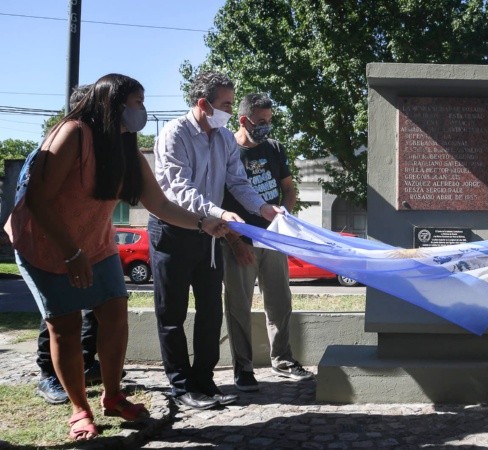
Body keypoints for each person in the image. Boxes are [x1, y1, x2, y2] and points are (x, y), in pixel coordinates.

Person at [4, 73, 229, 441]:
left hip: (94, 243)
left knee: (114, 315)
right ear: (113, 103)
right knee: (66, 327)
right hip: (46, 242)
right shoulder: (73, 133)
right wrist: (70, 253)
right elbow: (37, 200)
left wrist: (204, 223)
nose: (142, 111)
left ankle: (113, 396)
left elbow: (158, 204)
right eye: (137, 103)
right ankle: (80, 410)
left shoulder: (124, 145)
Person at [149, 72, 283, 410]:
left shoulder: (225, 139)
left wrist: (263, 208)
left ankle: (204, 380)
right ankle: (181, 386)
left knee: (210, 310)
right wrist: (218, 213)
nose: (228, 109)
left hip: (209, 236)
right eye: (224, 104)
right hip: (173, 230)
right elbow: (178, 188)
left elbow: (238, 183)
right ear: (202, 103)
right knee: (172, 313)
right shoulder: (174, 134)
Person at [33, 84, 125, 405]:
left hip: (91, 245)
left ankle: (87, 365)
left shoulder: (103, 146)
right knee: (60, 314)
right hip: (54, 247)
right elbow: (36, 200)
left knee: (97, 308)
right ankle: (48, 375)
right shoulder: (62, 140)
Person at [221, 93, 312, 393]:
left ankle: (283, 360)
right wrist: (236, 242)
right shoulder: (226, 149)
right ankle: (243, 369)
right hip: (240, 242)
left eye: (269, 122)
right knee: (239, 307)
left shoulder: (273, 148)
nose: (266, 128)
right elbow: (218, 201)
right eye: (260, 122)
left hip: (273, 239)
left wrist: (284, 216)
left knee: (280, 302)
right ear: (243, 120)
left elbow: (288, 189)